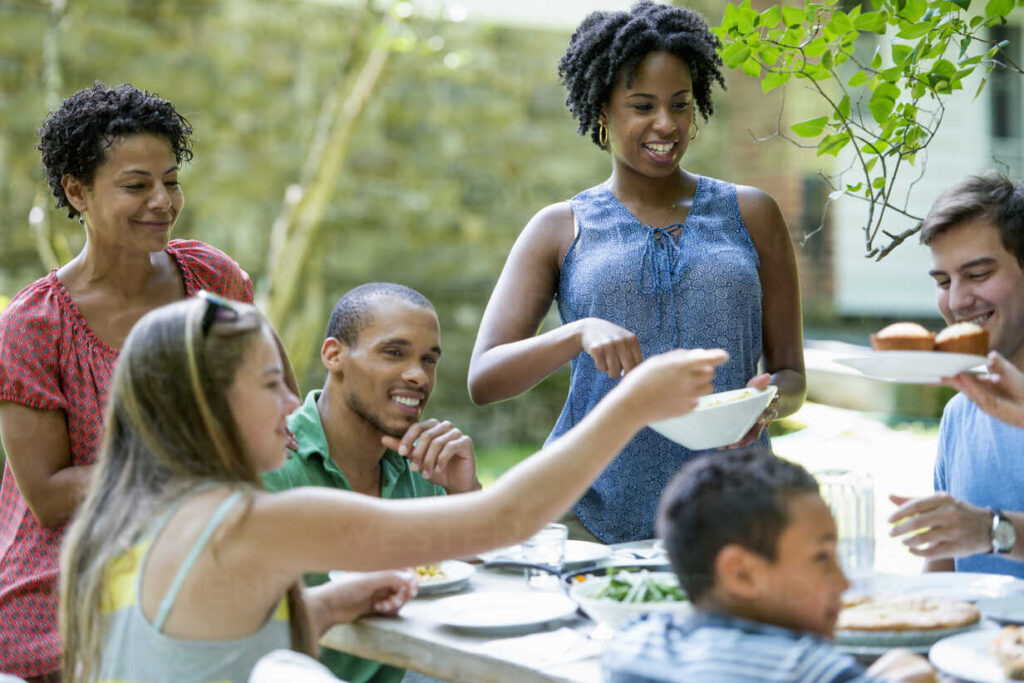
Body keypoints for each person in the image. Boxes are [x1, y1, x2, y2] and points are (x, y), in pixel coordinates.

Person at [60, 294, 728, 683]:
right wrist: (632, 403)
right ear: (201, 402)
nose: (292, 401)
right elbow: (509, 515)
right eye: (270, 384)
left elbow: (207, 645)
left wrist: (323, 604)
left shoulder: (125, 524)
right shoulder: (250, 521)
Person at [466, 0, 805, 544]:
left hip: (735, 513)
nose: (665, 124)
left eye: (681, 104)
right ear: (603, 108)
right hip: (588, 513)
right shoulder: (559, 228)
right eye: (642, 105)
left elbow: (792, 375)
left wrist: (766, 403)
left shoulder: (753, 213)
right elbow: (484, 379)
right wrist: (577, 332)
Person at [0, 83, 256, 682]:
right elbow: (48, 494)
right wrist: (191, 466)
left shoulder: (212, 280)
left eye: (170, 181)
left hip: (198, 555)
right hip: (67, 590)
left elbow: (280, 408)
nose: (162, 201)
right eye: (137, 185)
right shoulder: (34, 327)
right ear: (76, 191)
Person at [263, 283, 479, 683]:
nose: (418, 375)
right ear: (334, 355)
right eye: (393, 353)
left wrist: (464, 493)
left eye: (429, 360)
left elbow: (478, 595)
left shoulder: (426, 467)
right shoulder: (270, 463)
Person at [603, 447, 936, 683]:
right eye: (822, 558)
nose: (844, 583)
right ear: (741, 573)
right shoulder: (806, 667)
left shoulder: (634, 642)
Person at [889, 174, 1024, 578]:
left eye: (979, 274)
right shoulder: (960, 412)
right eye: (944, 282)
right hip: (977, 642)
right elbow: (944, 566)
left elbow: (976, 533)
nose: (958, 301)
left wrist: (992, 531)